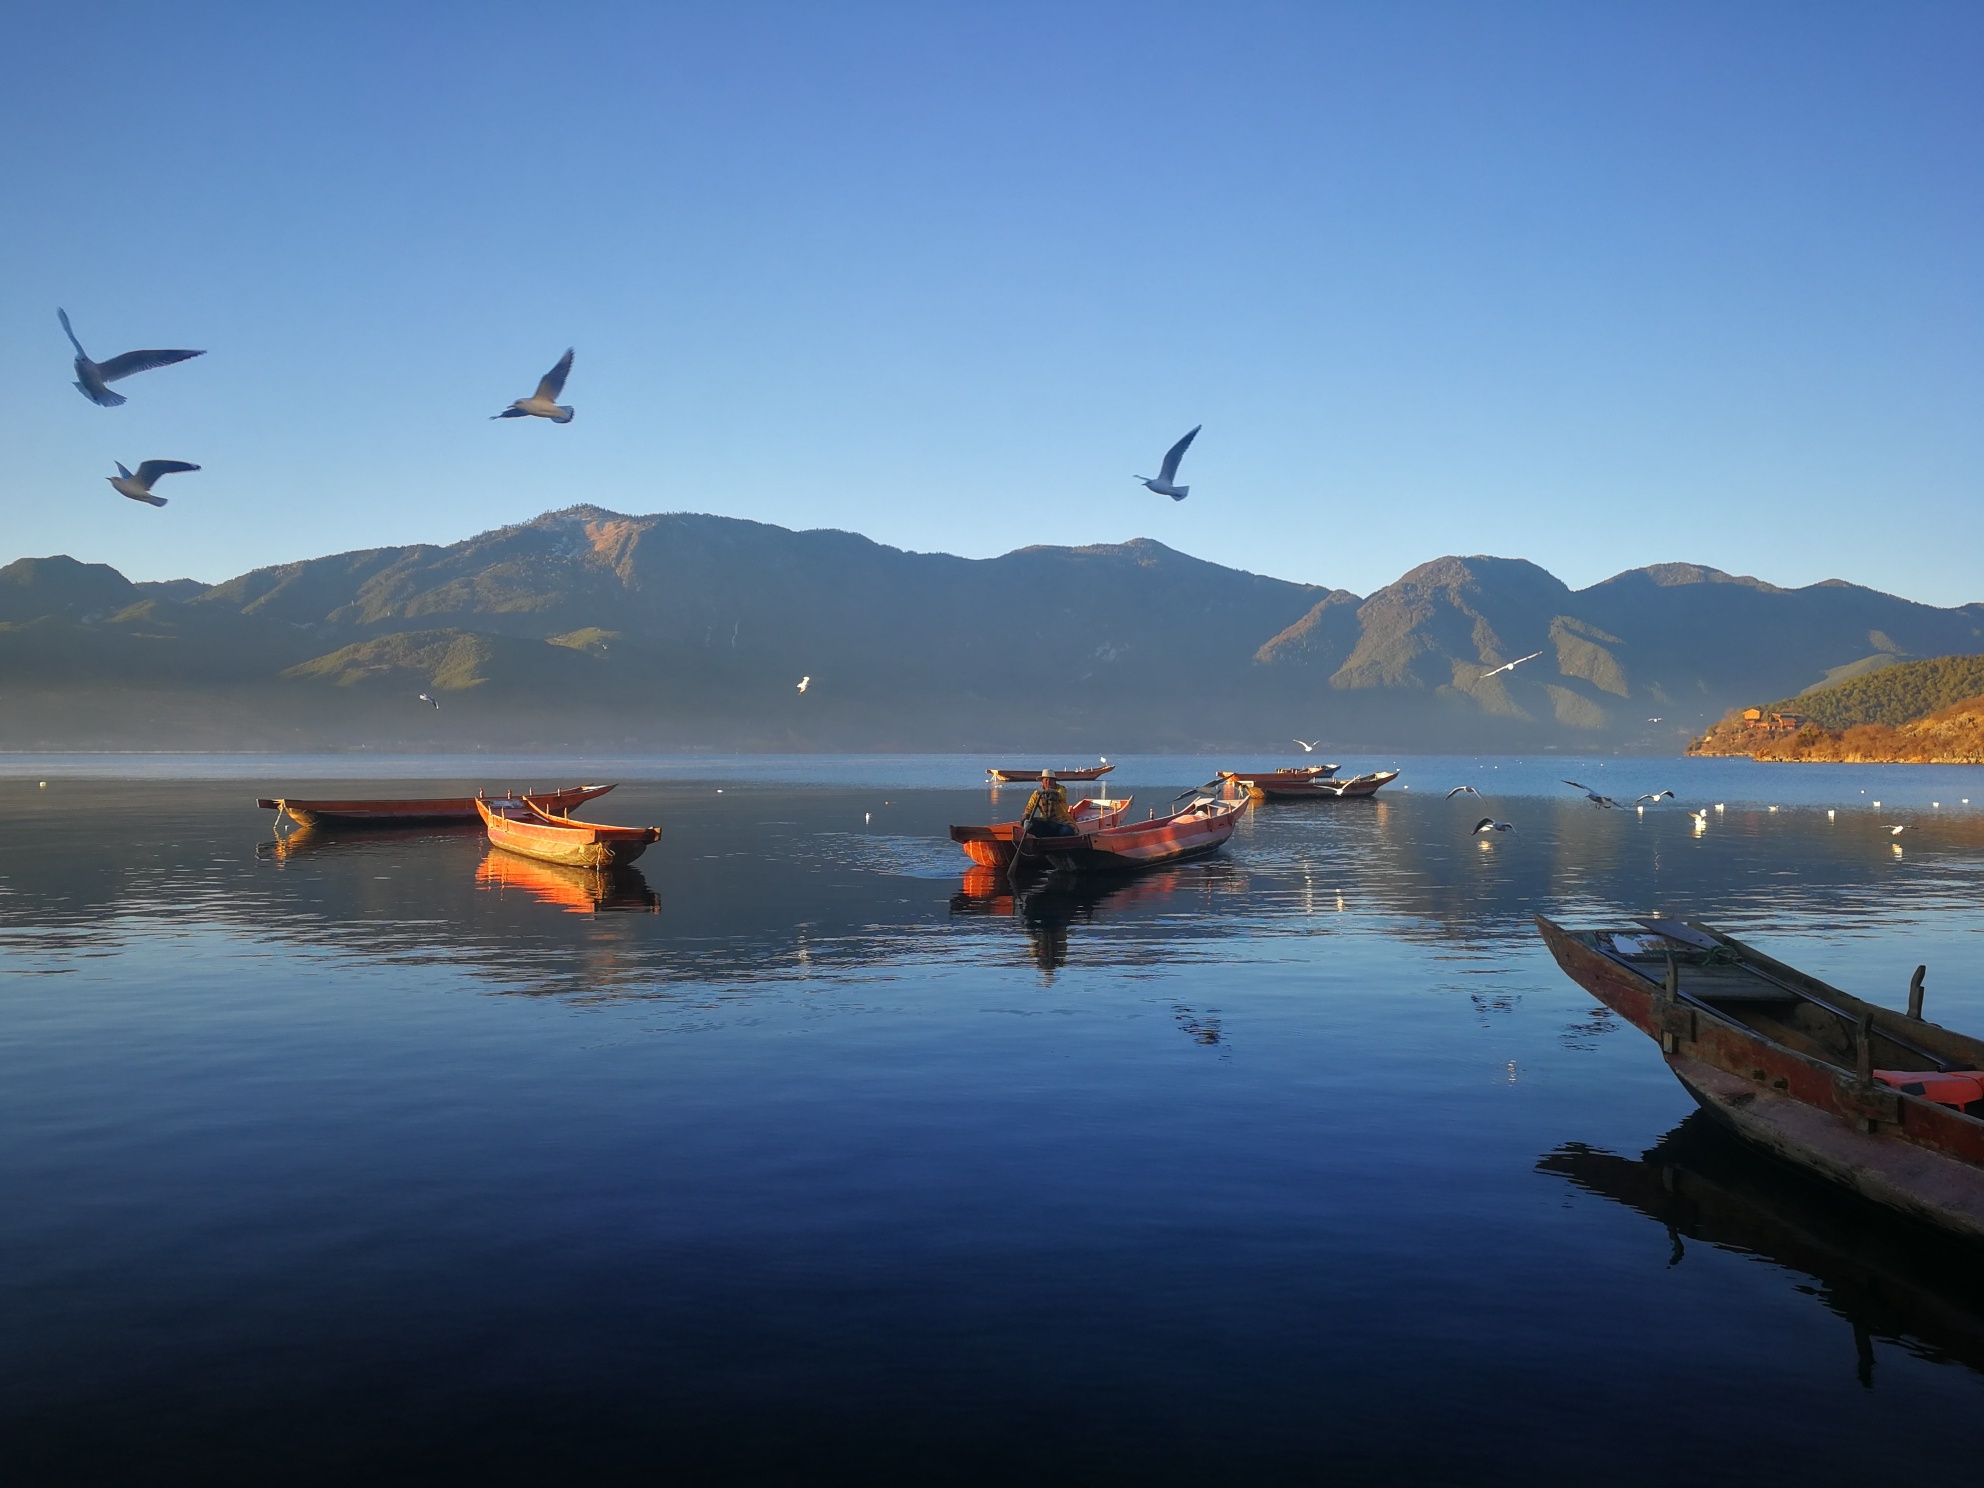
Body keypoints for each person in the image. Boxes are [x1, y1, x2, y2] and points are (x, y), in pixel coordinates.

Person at [1022, 770, 1077, 837]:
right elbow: (1029, 808)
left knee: (1066, 831)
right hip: (1046, 823)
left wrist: (1049, 793)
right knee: (1028, 824)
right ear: (1042, 781)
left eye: (1051, 780)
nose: (1048, 782)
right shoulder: (1036, 793)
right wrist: (1026, 820)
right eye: (1046, 780)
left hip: (1062, 823)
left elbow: (1060, 796)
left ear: (1055, 781)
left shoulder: (1061, 789)